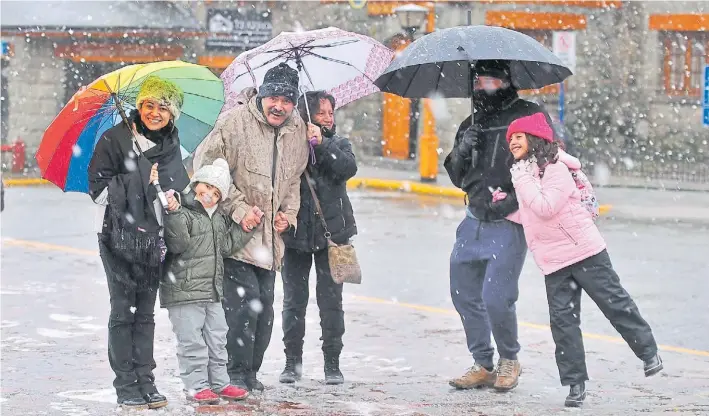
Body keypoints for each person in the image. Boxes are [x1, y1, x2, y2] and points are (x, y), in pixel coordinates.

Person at [501, 112, 662, 407]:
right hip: (553, 262)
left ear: (534, 139)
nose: (512, 142)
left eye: (518, 136)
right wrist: (501, 202)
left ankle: (648, 351)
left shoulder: (555, 168)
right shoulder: (524, 171)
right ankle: (575, 384)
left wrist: (520, 179)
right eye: (510, 138)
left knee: (614, 304)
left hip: (585, 252)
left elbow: (546, 207)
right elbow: (530, 214)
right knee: (563, 324)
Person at [193, 63, 311, 392]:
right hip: (237, 236)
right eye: (273, 97)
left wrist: (289, 214)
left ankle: (250, 374)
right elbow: (206, 170)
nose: (279, 105)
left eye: (287, 100)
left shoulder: (298, 129)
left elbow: (294, 181)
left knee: (265, 310)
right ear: (261, 95)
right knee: (243, 306)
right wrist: (239, 209)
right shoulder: (234, 123)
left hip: (272, 241)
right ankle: (233, 373)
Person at [444, 60, 553, 392]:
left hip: (508, 222)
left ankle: (509, 359)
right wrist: (464, 149)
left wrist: (512, 198)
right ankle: (483, 363)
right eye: (479, 82)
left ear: (507, 81)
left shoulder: (528, 115)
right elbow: (457, 177)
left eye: (492, 81)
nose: (485, 88)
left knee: (496, 297)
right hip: (472, 220)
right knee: (463, 293)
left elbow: (546, 159)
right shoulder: (470, 122)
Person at [88, 75, 190, 410]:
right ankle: (126, 384)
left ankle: (146, 380)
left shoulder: (174, 145)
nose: (154, 112)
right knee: (123, 313)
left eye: (163, 107)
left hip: (154, 243)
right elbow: (99, 191)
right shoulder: (115, 139)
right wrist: (137, 179)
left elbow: (180, 191)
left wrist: (175, 200)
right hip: (119, 239)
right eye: (148, 105)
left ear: (172, 113)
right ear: (139, 106)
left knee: (145, 315)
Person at [160, 158, 257, 404]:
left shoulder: (218, 219)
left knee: (217, 337)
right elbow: (177, 243)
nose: (210, 195)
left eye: (216, 193)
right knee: (191, 341)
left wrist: (246, 228)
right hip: (184, 290)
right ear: (195, 185)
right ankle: (196, 385)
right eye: (206, 188)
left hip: (212, 291)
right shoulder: (182, 210)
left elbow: (225, 246)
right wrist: (172, 213)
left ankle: (219, 382)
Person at [278, 91, 358, 385]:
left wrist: (322, 144)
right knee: (294, 302)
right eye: (321, 112)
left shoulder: (338, 143)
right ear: (305, 114)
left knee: (331, 303)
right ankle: (292, 363)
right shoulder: (289, 145)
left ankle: (332, 363)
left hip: (333, 237)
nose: (327, 118)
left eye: (330, 113)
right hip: (296, 236)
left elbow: (347, 168)